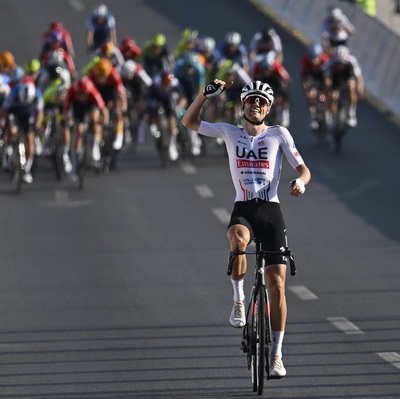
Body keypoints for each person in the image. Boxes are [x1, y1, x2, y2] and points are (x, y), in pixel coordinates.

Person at [181, 79, 311, 378]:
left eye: (262, 102)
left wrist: (300, 183)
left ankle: (277, 355)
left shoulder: (279, 134)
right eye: (252, 100)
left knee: (277, 286)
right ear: (243, 105)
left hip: (271, 212)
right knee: (237, 241)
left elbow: (302, 168)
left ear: (269, 107)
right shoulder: (230, 132)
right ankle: (239, 300)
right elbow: (189, 121)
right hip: (244, 209)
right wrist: (203, 95)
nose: (257, 105)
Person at [0, 78, 44, 183]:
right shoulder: (13, 92)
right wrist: (2, 125)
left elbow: (40, 113)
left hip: (28, 114)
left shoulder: (37, 94)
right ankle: (9, 150)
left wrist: (37, 125)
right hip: (14, 112)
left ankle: (27, 169)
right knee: (11, 130)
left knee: (29, 139)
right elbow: (3, 110)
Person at [63, 77, 109, 176]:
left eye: (84, 94)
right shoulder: (72, 90)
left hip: (90, 104)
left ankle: (95, 147)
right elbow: (66, 109)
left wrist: (104, 121)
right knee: (79, 130)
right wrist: (69, 121)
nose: (82, 96)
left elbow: (104, 109)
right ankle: (75, 163)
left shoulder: (92, 91)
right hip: (78, 106)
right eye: (80, 94)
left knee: (95, 118)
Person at [86, 58, 127, 151]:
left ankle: (119, 134)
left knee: (118, 108)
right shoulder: (91, 74)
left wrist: (123, 105)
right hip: (97, 91)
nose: (101, 79)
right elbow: (88, 92)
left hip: (110, 91)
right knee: (95, 116)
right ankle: (97, 138)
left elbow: (120, 92)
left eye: (104, 76)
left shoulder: (114, 74)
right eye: (99, 76)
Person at [323, 45, 363, 128]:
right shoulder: (330, 62)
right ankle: (333, 118)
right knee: (333, 97)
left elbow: (359, 77)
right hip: (336, 78)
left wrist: (359, 90)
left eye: (343, 63)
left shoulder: (352, 61)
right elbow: (327, 79)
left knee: (352, 88)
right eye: (338, 63)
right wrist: (329, 88)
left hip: (348, 76)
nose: (341, 66)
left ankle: (351, 114)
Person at [300, 43, 330, 130]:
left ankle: (328, 111)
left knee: (329, 90)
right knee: (310, 94)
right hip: (311, 75)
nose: (314, 60)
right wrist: (306, 85)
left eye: (316, 57)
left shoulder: (325, 60)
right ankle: (312, 116)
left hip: (322, 75)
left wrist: (327, 84)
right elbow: (303, 76)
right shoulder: (305, 60)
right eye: (311, 58)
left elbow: (329, 76)